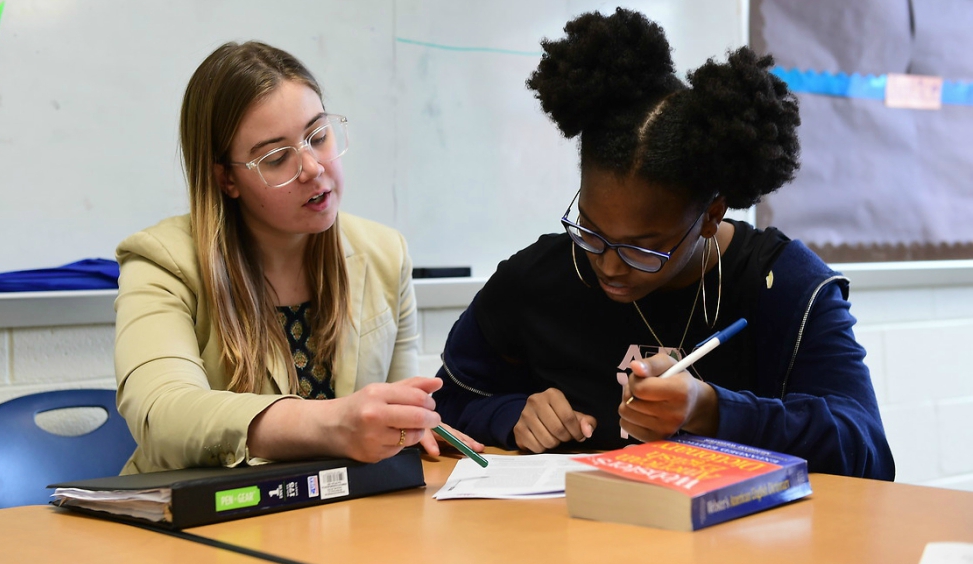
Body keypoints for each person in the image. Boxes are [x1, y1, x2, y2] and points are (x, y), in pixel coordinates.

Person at [434, 9, 894, 480]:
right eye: (591, 231)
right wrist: (511, 416)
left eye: (643, 249)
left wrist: (713, 410)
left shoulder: (784, 286)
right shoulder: (537, 278)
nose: (609, 265)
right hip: (574, 541)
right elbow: (442, 402)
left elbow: (867, 453)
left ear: (712, 215)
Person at [114, 41, 481, 474]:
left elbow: (401, 406)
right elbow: (162, 415)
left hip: (342, 517)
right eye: (275, 158)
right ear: (226, 179)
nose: (311, 167)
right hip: (202, 523)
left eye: (318, 136)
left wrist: (413, 426)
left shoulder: (384, 253)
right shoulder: (163, 261)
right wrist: (331, 423)